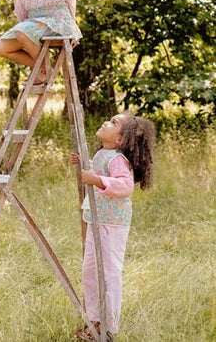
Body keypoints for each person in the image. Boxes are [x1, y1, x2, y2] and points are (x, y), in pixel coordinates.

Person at [71, 112, 155, 341]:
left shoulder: (118, 159)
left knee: (108, 273)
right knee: (90, 271)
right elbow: (98, 171)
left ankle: (109, 327)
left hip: (112, 224)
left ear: (120, 139)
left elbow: (124, 186)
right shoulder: (102, 153)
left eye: (113, 123)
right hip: (96, 220)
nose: (106, 122)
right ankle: (94, 320)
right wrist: (84, 165)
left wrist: (96, 180)